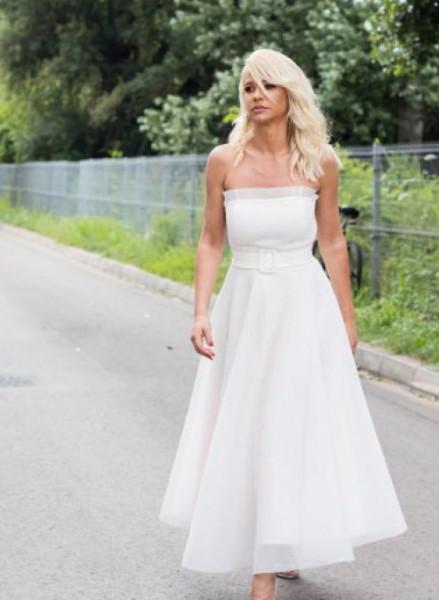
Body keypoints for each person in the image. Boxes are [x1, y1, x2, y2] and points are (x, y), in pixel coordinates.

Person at [159, 48, 407, 600]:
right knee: (251, 424)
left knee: (290, 422)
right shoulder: (223, 160)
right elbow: (210, 240)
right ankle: (271, 548)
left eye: (268, 85)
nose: (257, 95)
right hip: (245, 306)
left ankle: (269, 566)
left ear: (290, 92)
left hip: (302, 306)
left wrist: (347, 319)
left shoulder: (320, 161)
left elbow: (332, 242)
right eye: (249, 87)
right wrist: (200, 311)